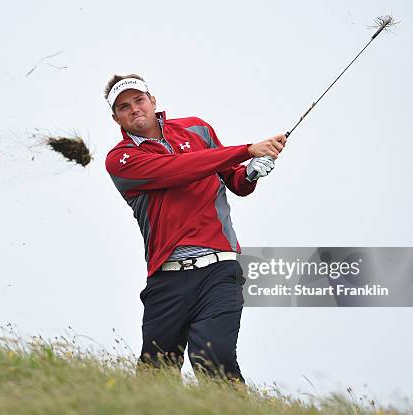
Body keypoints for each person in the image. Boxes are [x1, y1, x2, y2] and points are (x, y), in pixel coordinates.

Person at [104, 74, 286, 383]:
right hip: (166, 278)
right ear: (115, 117)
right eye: (124, 106)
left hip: (219, 270)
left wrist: (252, 173)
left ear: (153, 101)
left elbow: (236, 181)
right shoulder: (121, 160)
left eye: (139, 100)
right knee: (154, 374)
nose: (134, 109)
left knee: (214, 359)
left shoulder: (197, 129)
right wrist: (246, 150)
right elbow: (180, 169)